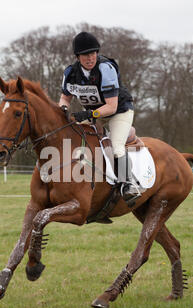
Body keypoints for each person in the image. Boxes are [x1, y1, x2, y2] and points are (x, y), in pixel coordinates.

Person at [59, 31, 140, 203]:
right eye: (85, 55)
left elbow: (111, 107)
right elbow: (65, 98)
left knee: (116, 146)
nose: (90, 58)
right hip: (95, 113)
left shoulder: (105, 69)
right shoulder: (70, 73)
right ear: (77, 56)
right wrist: (63, 110)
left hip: (119, 112)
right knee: (74, 137)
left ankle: (128, 184)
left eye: (93, 53)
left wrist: (88, 114)